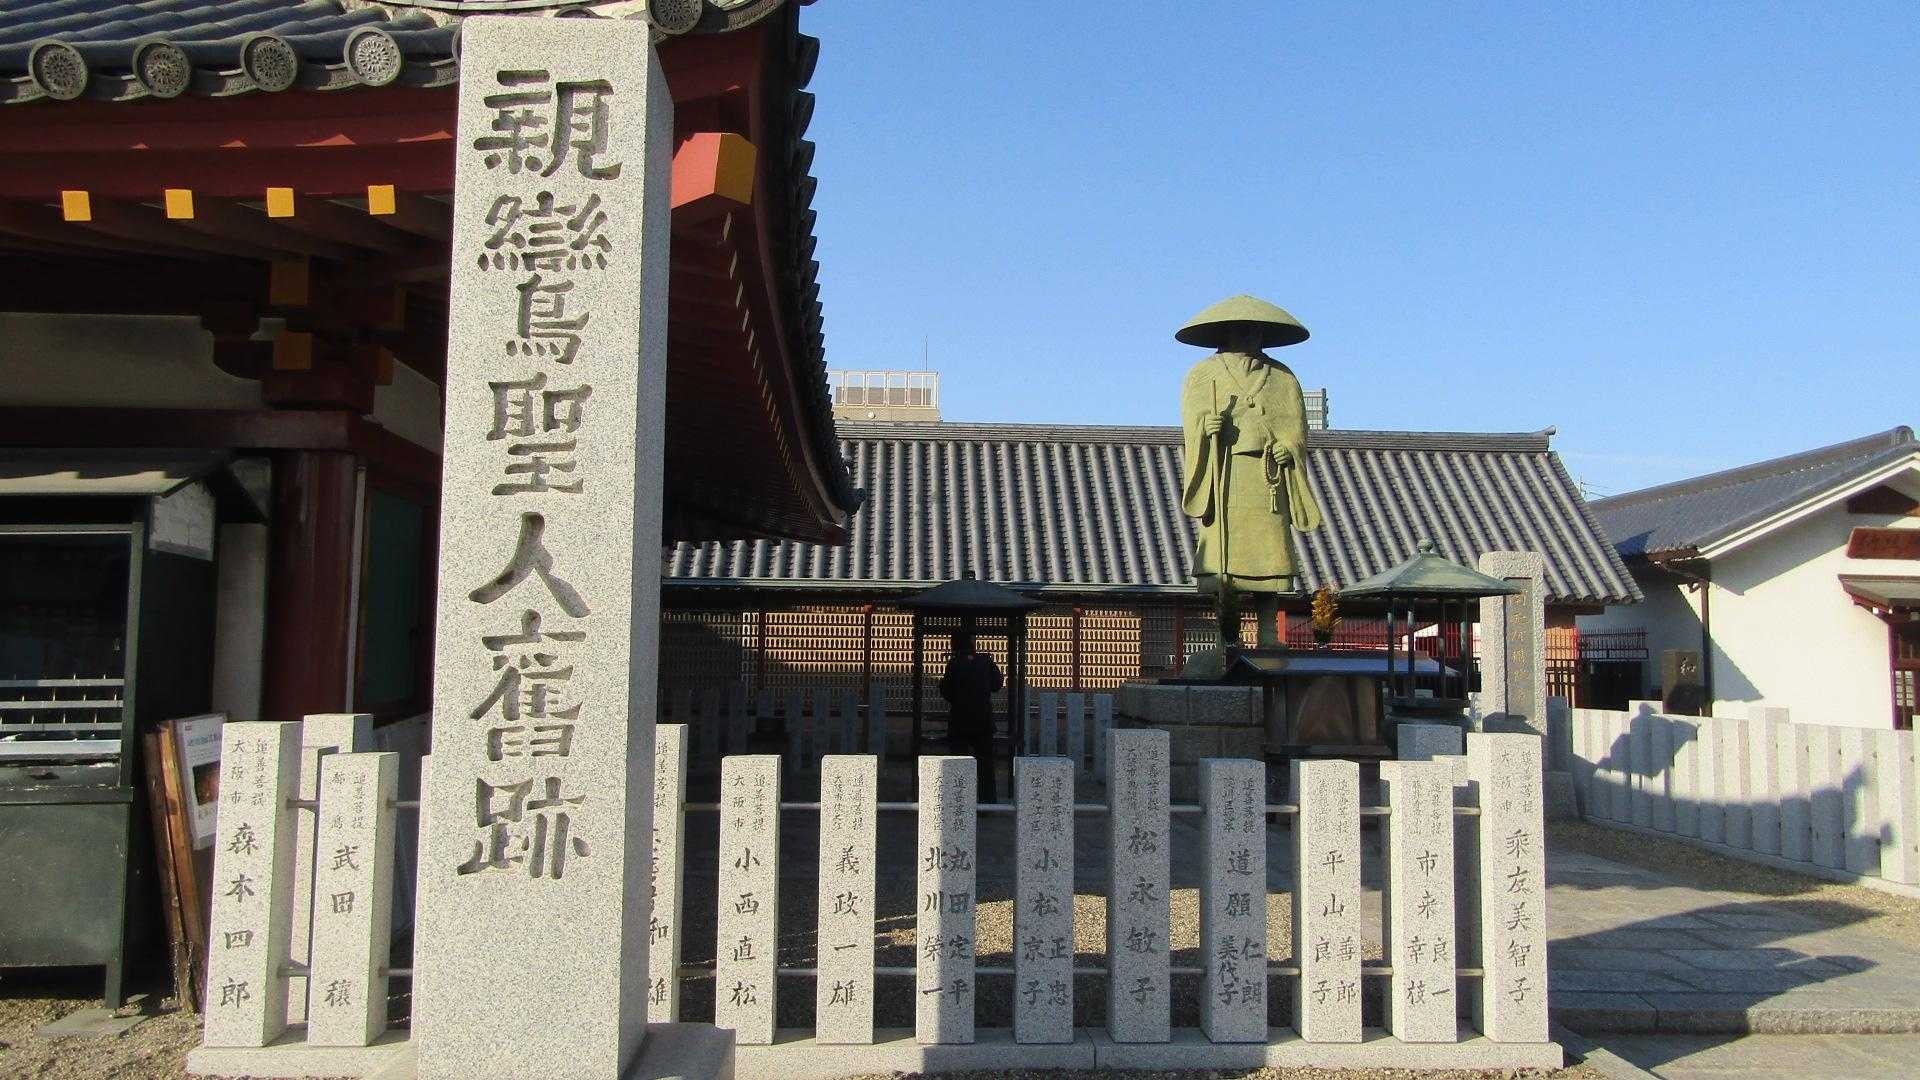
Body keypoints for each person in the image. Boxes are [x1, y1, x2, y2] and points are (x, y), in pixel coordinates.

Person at [938, 633, 1003, 803]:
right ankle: (988, 804)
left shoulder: (954, 664)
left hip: (960, 721)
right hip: (983, 721)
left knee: (958, 762)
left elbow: (946, 691)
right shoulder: (986, 661)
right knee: (986, 765)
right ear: (972, 644)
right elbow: (997, 684)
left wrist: (960, 698)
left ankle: (960, 801)